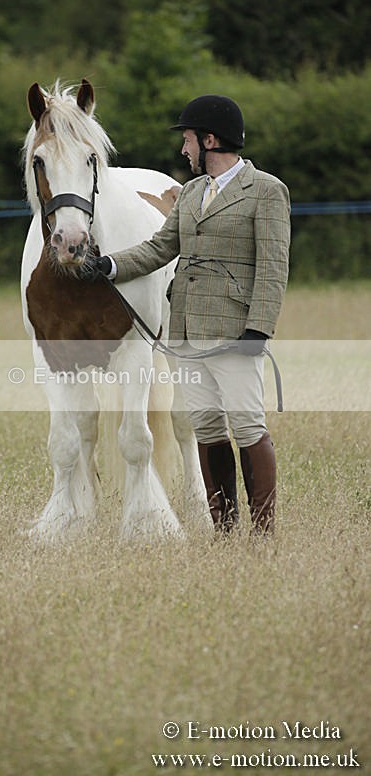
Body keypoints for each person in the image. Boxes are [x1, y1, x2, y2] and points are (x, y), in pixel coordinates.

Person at [86, 94, 291, 536]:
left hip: (238, 331)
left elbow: (274, 268)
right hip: (186, 331)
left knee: (248, 425)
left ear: (210, 139)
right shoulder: (193, 191)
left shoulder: (267, 191)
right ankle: (224, 528)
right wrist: (111, 266)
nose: (184, 149)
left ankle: (262, 531)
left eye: (188, 139)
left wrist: (259, 328)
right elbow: (161, 248)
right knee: (208, 427)